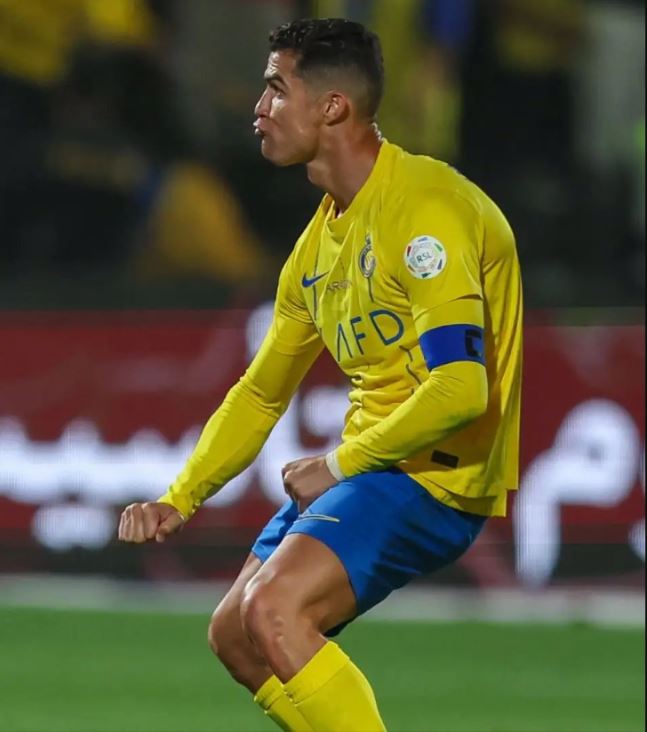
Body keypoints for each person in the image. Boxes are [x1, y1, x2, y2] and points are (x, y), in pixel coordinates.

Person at [118, 17, 522, 732]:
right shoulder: (317, 248)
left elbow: (462, 388)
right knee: (237, 636)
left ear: (332, 107)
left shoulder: (425, 212)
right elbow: (260, 391)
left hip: (435, 474)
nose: (258, 107)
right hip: (376, 469)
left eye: (276, 88)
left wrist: (340, 463)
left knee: (274, 608)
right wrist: (181, 497)